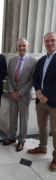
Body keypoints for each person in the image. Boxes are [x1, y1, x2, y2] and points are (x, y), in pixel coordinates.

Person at [28, 32, 56, 172]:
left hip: (54, 101)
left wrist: (46, 94)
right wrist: (38, 91)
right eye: (47, 41)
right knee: (42, 126)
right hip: (40, 101)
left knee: (55, 130)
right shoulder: (41, 60)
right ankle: (42, 148)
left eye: (52, 40)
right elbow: (35, 78)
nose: (49, 43)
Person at [3, 38, 37, 151]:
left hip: (25, 95)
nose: (21, 48)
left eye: (24, 45)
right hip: (13, 95)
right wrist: (12, 91)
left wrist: (20, 92)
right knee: (12, 117)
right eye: (20, 46)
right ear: (17, 47)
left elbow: (32, 80)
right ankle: (12, 137)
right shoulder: (12, 60)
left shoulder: (33, 62)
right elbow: (9, 78)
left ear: (28, 46)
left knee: (23, 119)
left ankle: (21, 140)